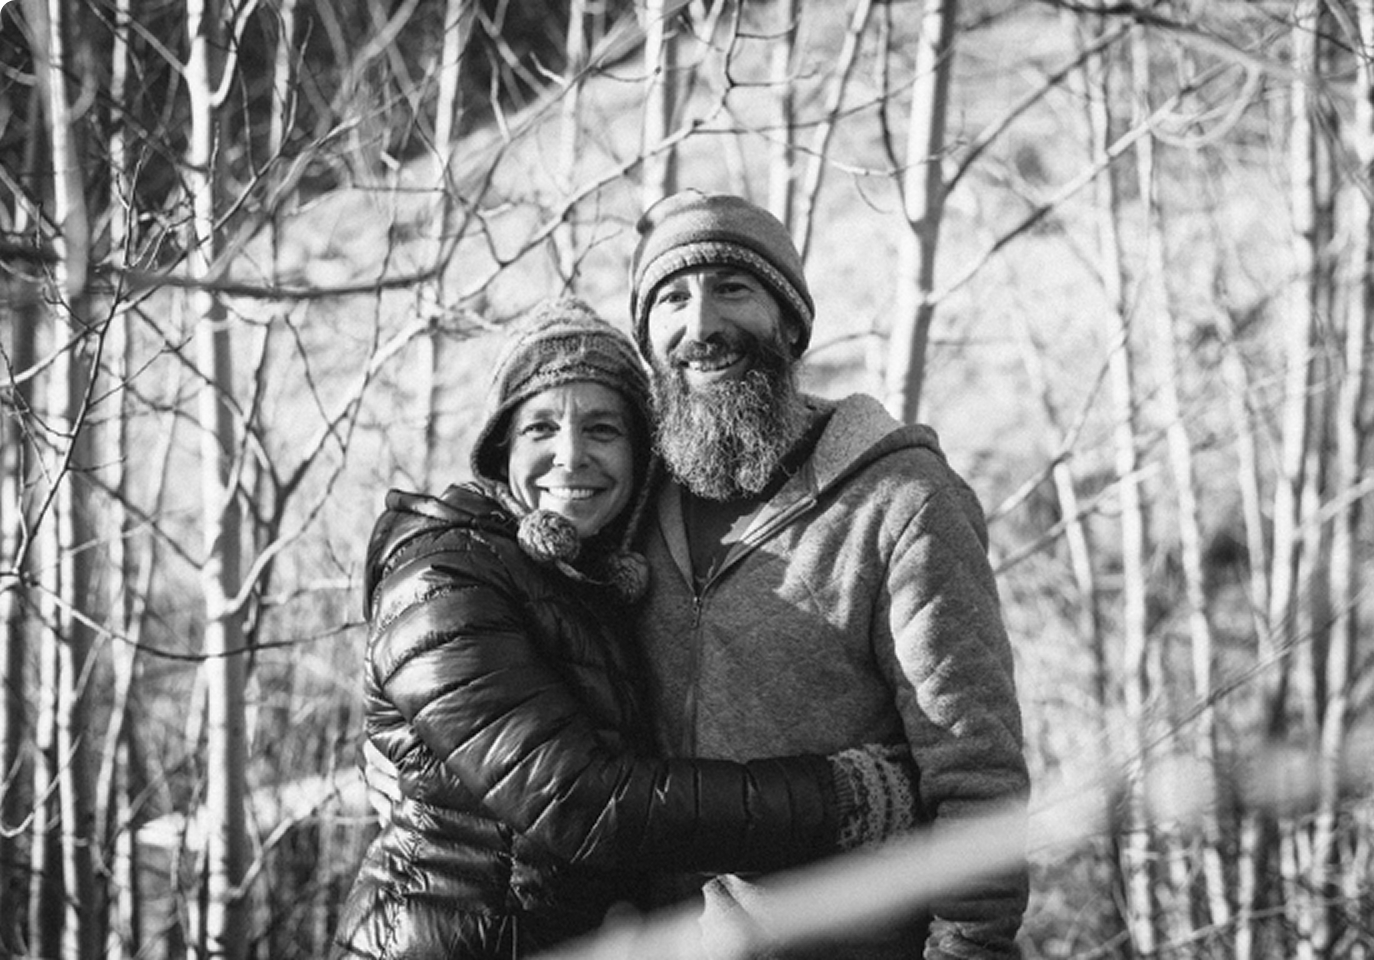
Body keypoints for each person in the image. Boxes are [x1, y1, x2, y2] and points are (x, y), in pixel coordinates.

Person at [331, 298, 917, 960]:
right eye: (541, 427)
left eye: (603, 429)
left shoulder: (593, 582)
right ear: (500, 452)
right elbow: (579, 800)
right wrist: (842, 798)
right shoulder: (445, 577)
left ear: (641, 458)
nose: (571, 456)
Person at [626, 190, 1031, 958]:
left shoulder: (902, 502)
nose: (701, 325)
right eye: (672, 299)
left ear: (790, 323)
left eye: (732, 288)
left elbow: (977, 780)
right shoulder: (631, 502)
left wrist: (969, 947)